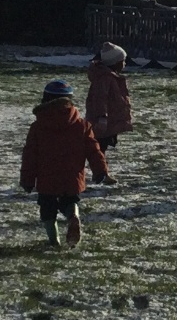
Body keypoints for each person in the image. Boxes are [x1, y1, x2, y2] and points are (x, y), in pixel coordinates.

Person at [20, 81, 113, 247]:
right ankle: (73, 216)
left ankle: (54, 242)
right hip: (72, 176)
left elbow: (30, 155)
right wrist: (100, 170)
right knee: (69, 202)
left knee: (48, 210)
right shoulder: (82, 125)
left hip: (46, 176)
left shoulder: (38, 127)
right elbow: (94, 150)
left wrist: (27, 180)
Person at [86, 42, 134, 182]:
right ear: (114, 63)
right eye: (122, 61)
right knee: (100, 147)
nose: (124, 63)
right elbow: (100, 98)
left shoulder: (110, 77)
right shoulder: (105, 78)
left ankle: (101, 172)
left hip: (109, 120)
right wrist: (102, 116)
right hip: (104, 121)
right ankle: (101, 173)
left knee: (102, 147)